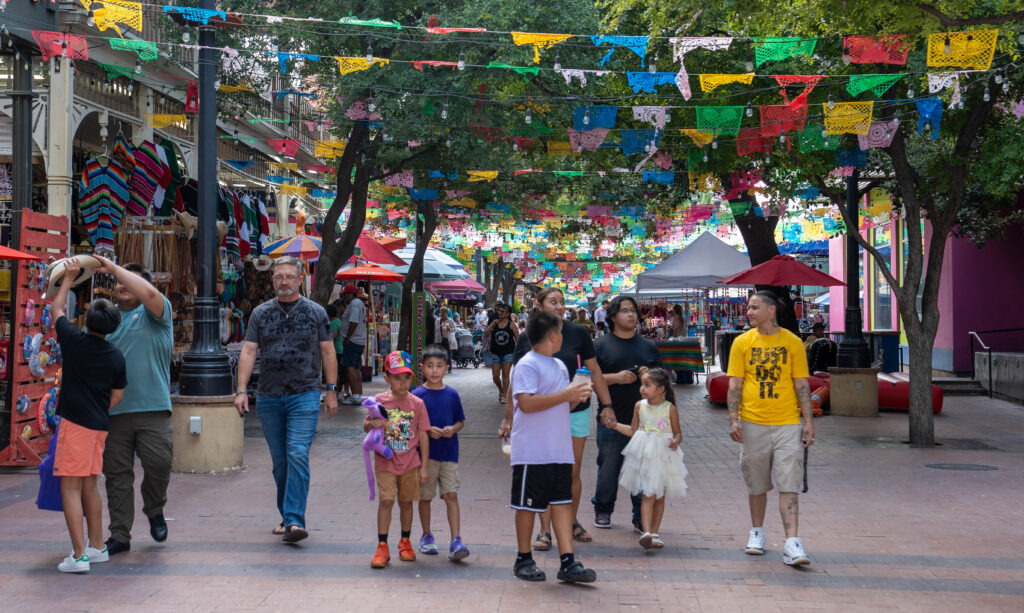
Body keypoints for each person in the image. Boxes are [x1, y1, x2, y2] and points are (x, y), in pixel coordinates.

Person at [234, 257, 338, 544]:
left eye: (290, 277)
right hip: (268, 397)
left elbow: (328, 352)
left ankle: (294, 520)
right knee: (280, 462)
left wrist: (331, 389)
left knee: (297, 453)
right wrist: (241, 389)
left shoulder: (316, 312)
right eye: (279, 277)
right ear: (273, 280)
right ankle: (286, 515)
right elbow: (248, 352)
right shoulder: (260, 313)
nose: (284, 281)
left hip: (304, 394)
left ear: (300, 278)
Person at [503, 287, 614, 549]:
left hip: (575, 413)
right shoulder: (528, 337)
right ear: (539, 306)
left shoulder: (577, 332)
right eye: (554, 302)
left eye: (562, 302)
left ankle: (571, 521)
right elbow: (515, 382)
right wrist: (508, 417)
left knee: (571, 472)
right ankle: (544, 531)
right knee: (544, 472)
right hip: (540, 416)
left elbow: (594, 370)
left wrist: (606, 404)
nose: (560, 306)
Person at [91, 256, 173, 556]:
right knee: (117, 475)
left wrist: (114, 268)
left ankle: (154, 508)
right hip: (113, 412)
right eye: (119, 281)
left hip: (153, 408)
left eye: (130, 279)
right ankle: (120, 534)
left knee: (159, 465)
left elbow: (149, 295)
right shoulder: (104, 321)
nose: (123, 284)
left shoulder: (158, 314)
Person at [727, 291, 815, 567]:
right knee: (757, 482)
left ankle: (792, 542)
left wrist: (808, 421)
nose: (749, 312)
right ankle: (757, 533)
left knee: (789, 480)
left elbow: (801, 384)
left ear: (771, 310)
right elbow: (735, 384)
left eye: (755, 308)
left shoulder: (792, 342)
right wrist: (734, 418)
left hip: (787, 422)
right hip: (752, 422)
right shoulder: (741, 343)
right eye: (748, 308)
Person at [50, 260, 126, 572]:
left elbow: (57, 310)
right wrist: (97, 408)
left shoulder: (73, 340)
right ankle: (97, 546)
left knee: (70, 488)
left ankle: (79, 555)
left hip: (75, 424)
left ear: (86, 321)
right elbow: (117, 395)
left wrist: (68, 278)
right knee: (90, 485)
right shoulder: (116, 355)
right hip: (98, 426)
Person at [508, 311, 596, 583]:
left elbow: (560, 404)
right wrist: (566, 394)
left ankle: (567, 561)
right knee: (527, 506)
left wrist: (576, 395)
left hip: (559, 448)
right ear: (553, 336)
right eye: (561, 331)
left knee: (562, 503)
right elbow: (527, 403)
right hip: (533, 450)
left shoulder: (558, 365)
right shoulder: (527, 365)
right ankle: (523, 558)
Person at [592, 295, 664, 532]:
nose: (631, 315)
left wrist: (647, 375)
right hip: (611, 417)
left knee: (642, 469)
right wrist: (616, 378)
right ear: (612, 316)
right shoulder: (600, 345)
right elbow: (589, 380)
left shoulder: (648, 346)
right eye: (625, 311)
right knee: (608, 467)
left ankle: (639, 515)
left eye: (633, 311)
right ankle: (603, 509)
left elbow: (662, 383)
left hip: (646, 421)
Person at [365, 351, 431, 568]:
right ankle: (382, 546)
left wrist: (424, 467)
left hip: (411, 462)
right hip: (385, 461)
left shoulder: (417, 404)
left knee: (406, 502)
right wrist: (371, 425)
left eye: (406, 378)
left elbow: (423, 435)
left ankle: (405, 541)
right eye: (396, 378)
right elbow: (367, 425)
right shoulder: (380, 401)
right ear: (387, 379)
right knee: (386, 501)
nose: (402, 383)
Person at [611, 368, 687, 550]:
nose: (642, 389)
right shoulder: (640, 406)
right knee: (647, 494)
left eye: (647, 385)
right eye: (642, 385)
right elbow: (632, 429)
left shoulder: (669, 408)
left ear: (661, 389)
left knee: (659, 496)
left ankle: (655, 532)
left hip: (663, 455)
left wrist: (676, 441)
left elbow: (677, 432)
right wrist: (614, 425)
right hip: (644, 454)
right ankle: (646, 532)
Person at [412, 346, 470, 561]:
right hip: (425, 457)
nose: (434, 371)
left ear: (447, 368)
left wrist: (452, 429)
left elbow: (460, 421)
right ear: (422, 368)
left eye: (439, 366)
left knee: (451, 494)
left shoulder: (452, 395)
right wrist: (427, 431)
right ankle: (426, 535)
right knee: (425, 497)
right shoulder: (417, 396)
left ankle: (456, 539)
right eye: (429, 366)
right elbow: (410, 426)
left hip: (449, 453)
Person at [483, 303, 519, 403]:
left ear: (507, 314)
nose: (499, 313)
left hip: (508, 352)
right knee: (495, 377)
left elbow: (518, 339)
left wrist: (518, 353)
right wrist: (491, 325)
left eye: (502, 311)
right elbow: (485, 334)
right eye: (499, 311)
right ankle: (501, 390)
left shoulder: (512, 325)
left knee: (506, 374)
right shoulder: (495, 323)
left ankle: (504, 395)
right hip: (496, 352)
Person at [339, 284, 367, 405]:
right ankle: (358, 394)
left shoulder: (355, 304)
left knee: (350, 366)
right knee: (355, 367)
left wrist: (347, 338)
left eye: (345, 294)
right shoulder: (358, 304)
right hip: (357, 340)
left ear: (351, 294)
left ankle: (355, 395)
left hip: (353, 341)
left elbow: (353, 322)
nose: (344, 296)